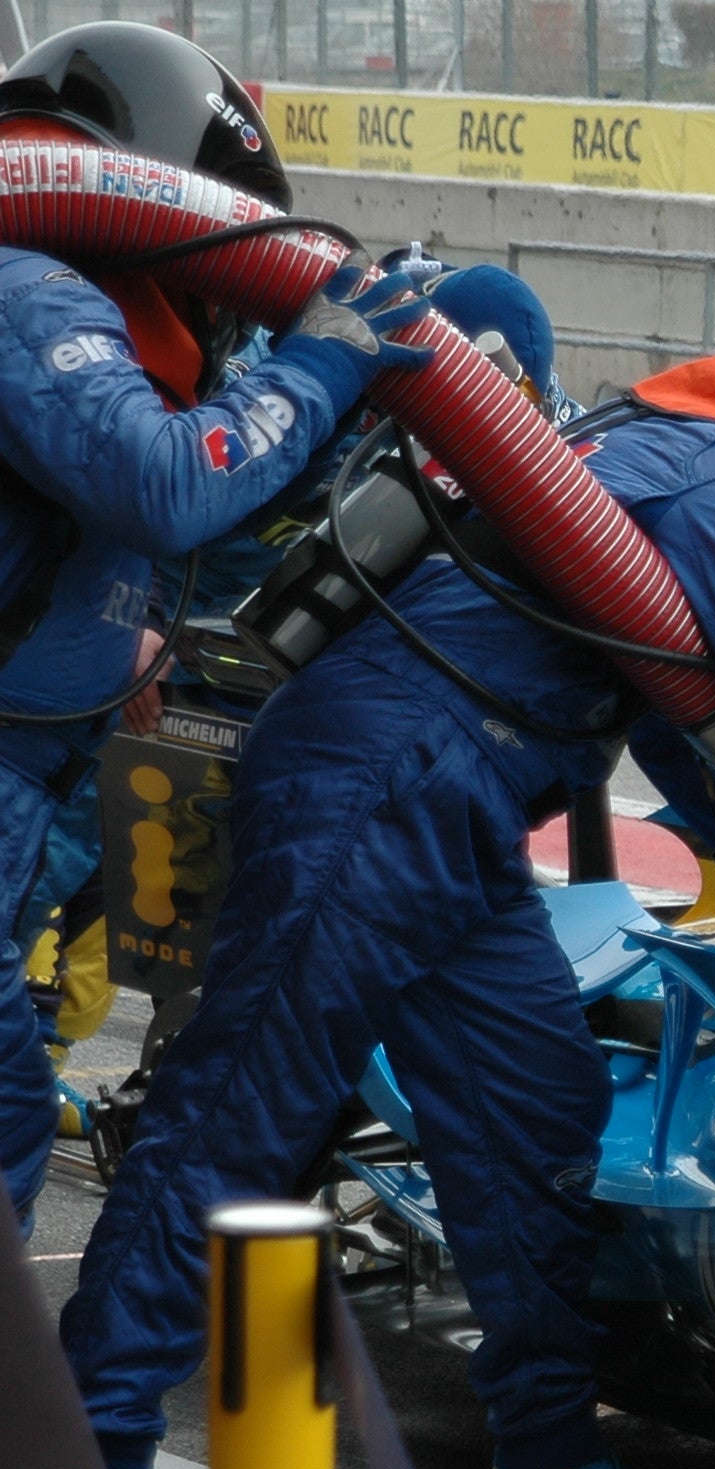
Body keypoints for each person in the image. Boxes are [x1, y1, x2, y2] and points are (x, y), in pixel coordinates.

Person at [66, 327, 715, 1469]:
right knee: (240, 1111)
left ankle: (549, 1446)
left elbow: (700, 737)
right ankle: (94, 1456)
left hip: (446, 807)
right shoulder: (714, 479)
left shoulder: (671, 460)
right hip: (379, 789)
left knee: (538, 1107)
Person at [0, 23, 439, 1221]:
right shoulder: (28, 287)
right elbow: (161, 482)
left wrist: (114, 643)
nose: (229, 298)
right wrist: (323, 359)